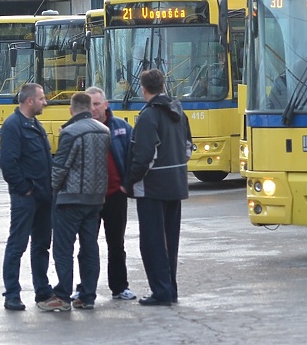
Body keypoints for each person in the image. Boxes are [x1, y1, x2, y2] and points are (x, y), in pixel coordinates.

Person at [124, 68, 192, 306]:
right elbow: (187, 149)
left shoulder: (148, 116)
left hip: (152, 188)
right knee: (170, 242)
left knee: (152, 243)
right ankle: (170, 289)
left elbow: (143, 157)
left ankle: (161, 291)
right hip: (176, 185)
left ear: (143, 89)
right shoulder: (179, 113)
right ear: (163, 86)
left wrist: (128, 182)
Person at [39, 92, 110, 312]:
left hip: (70, 199)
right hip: (95, 199)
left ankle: (62, 296)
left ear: (71, 109)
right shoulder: (104, 131)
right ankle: (87, 296)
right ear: (90, 108)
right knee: (90, 248)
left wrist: (50, 191)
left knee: (63, 249)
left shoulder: (70, 133)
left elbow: (60, 168)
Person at [78, 86, 136, 301]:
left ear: (106, 104)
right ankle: (84, 287)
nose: (93, 109)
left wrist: (126, 185)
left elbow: (134, 158)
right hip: (89, 198)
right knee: (87, 245)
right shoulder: (80, 128)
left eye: (96, 104)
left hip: (115, 196)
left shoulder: (121, 127)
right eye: (89, 104)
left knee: (116, 244)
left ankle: (120, 287)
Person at [0, 82, 53, 311]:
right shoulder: (14, 126)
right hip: (26, 198)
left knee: (41, 245)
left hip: (43, 196)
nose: (45, 102)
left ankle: (42, 291)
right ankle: (12, 294)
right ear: (30, 100)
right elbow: (8, 163)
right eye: (42, 99)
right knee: (17, 245)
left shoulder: (35, 125)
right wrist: (24, 189)